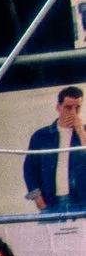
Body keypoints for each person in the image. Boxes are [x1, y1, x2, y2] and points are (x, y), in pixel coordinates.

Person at [24, 86, 86, 216]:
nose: (73, 112)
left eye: (77, 107)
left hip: (82, 202)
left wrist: (81, 132)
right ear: (58, 107)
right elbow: (29, 169)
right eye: (68, 107)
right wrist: (38, 199)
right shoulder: (41, 136)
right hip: (51, 202)